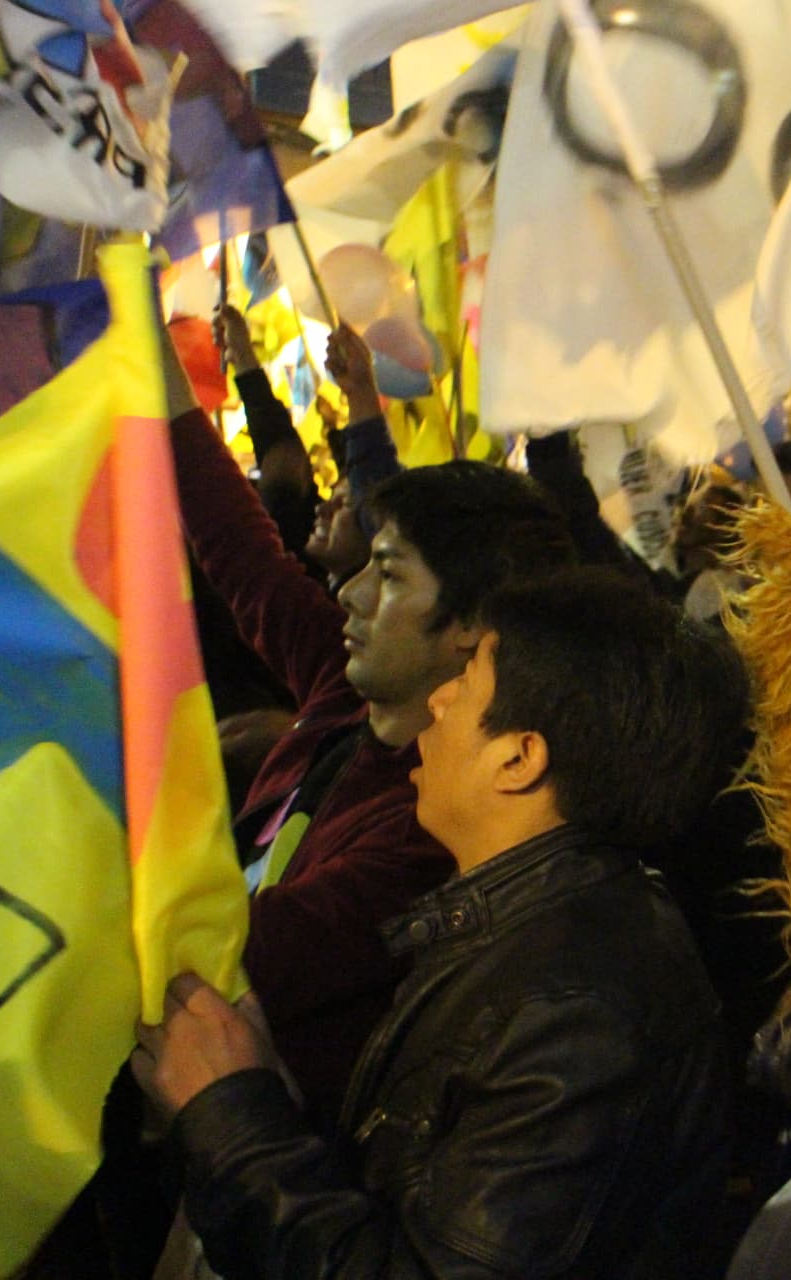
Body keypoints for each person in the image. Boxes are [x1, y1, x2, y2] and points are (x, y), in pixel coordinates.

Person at [130, 570, 749, 1279]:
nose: (438, 699)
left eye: (467, 679)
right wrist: (276, 1102)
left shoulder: (578, 1015)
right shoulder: (536, 929)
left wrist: (233, 1121)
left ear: (519, 757)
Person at [161, 330, 577, 1127]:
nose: (347, 595)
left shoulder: (443, 831)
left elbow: (242, 951)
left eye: (387, 576)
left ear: (469, 627)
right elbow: (236, 544)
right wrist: (148, 352)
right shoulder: (346, 695)